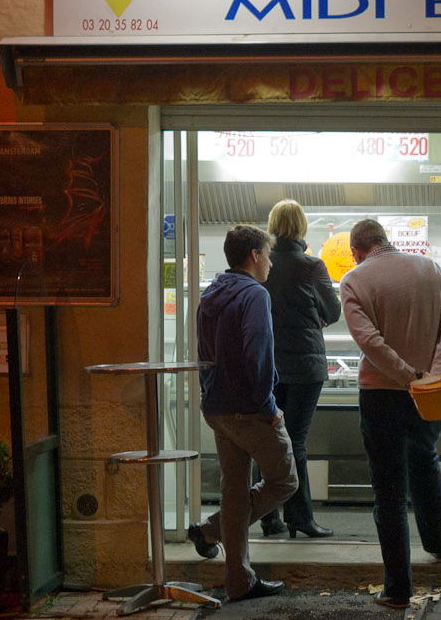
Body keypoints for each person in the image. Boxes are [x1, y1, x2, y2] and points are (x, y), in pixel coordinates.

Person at [338, 219, 441, 609]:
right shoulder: (430, 268)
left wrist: (407, 376)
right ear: (385, 240)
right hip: (430, 393)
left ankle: (397, 590)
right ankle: (440, 546)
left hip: (381, 394)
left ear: (357, 250)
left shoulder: (354, 279)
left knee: (389, 490)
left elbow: (370, 342)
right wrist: (433, 376)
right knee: (425, 460)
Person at [184, 225, 297, 602]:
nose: (269, 264)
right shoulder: (254, 295)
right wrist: (267, 406)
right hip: (249, 409)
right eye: (267, 255)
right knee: (285, 480)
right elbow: (258, 352)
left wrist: (209, 396)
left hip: (217, 407)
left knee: (234, 490)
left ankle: (240, 581)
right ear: (253, 255)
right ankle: (212, 530)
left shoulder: (210, 293)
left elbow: (204, 354)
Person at [258, 199, 342, 539]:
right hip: (306, 365)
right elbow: (333, 311)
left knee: (267, 439)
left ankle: (267, 517)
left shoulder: (260, 262)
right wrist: (315, 317)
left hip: (268, 364)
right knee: (296, 440)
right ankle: (301, 517)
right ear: (302, 227)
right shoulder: (311, 265)